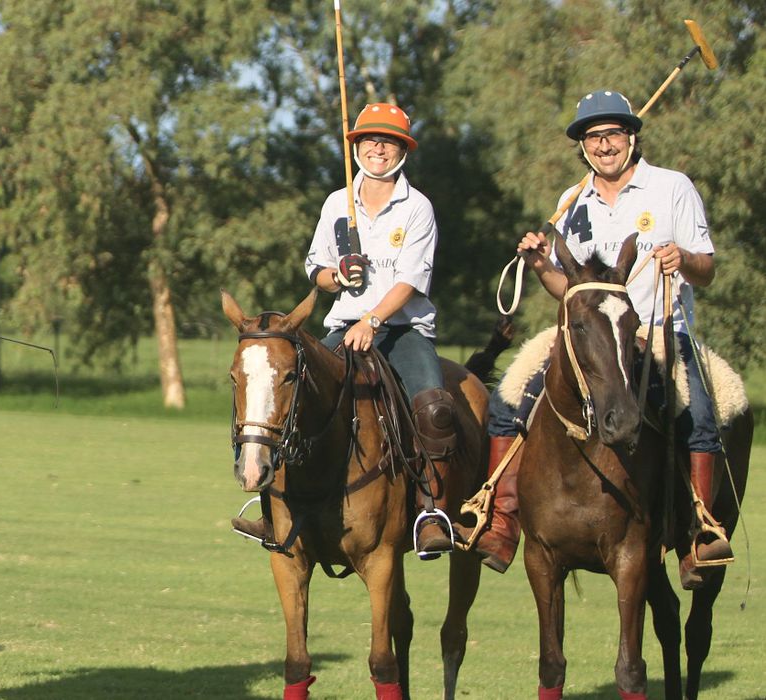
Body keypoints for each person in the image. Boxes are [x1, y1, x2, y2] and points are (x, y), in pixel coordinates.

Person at [460, 90, 730, 583]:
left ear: (632, 138)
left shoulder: (672, 188)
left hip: (654, 328)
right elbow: (567, 290)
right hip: (587, 332)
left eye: (613, 134)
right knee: (507, 400)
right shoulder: (573, 201)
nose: (604, 145)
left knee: (700, 415)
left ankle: (698, 531)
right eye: (593, 137)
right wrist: (541, 265)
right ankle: (499, 519)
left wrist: (682, 259)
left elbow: (707, 269)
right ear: (582, 146)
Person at [233, 103, 458, 559]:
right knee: (294, 398)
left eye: (388, 140)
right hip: (343, 326)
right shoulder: (339, 203)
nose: (378, 147)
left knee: (433, 405)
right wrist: (337, 276)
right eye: (370, 139)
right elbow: (315, 268)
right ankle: (272, 508)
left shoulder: (417, 208)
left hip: (402, 329)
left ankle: (431, 510)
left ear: (402, 150)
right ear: (356, 146)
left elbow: (411, 279)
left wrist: (372, 319)